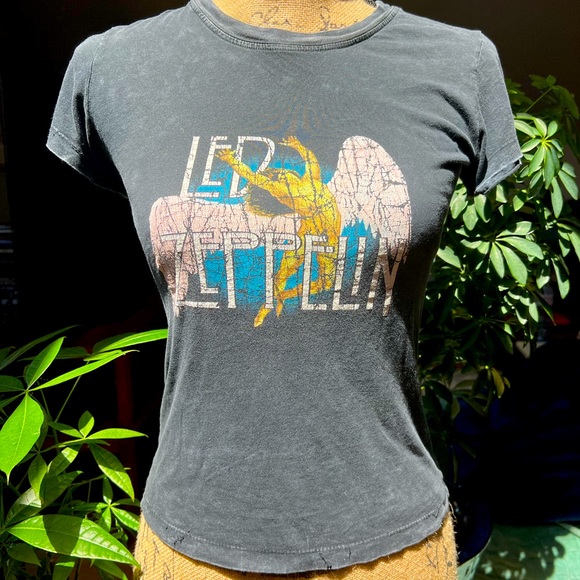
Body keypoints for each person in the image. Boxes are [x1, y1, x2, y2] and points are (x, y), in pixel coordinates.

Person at [46, 0, 522, 577]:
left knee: (302, 266)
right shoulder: (113, 66)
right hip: (192, 536)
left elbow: (305, 176)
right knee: (285, 263)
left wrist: (291, 164)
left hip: (391, 538)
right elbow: (260, 180)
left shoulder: (457, 63)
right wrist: (241, 169)